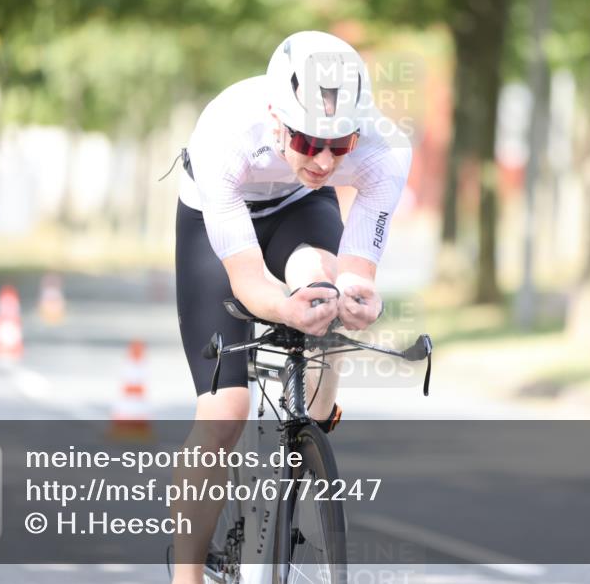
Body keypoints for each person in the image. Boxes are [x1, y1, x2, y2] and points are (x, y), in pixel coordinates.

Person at [171, 30, 412, 582]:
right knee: (224, 413)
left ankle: (311, 416)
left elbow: (358, 269)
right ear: (276, 120)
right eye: (307, 142)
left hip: (299, 208)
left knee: (326, 288)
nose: (325, 161)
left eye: (340, 145)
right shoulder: (226, 133)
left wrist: (357, 297)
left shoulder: (386, 147)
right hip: (218, 218)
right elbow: (251, 282)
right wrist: (284, 309)